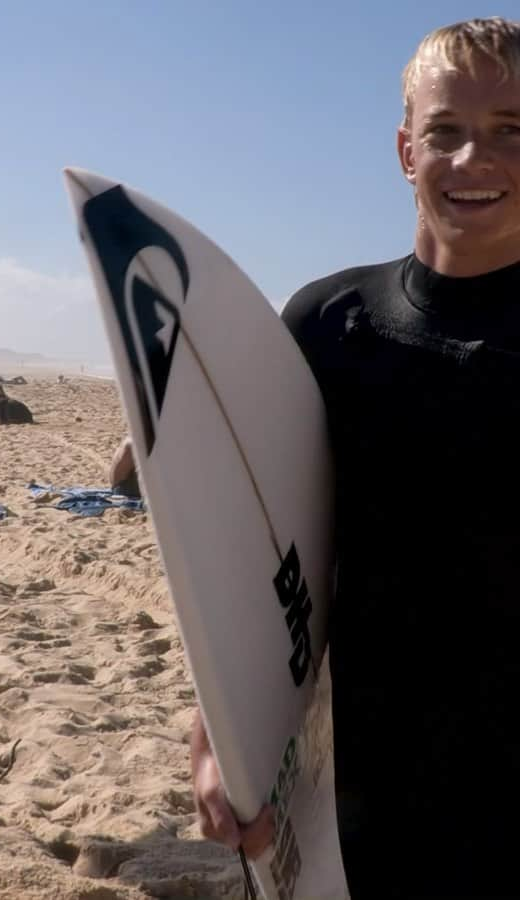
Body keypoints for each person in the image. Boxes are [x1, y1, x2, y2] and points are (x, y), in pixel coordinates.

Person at [191, 17, 520, 898]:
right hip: (363, 787)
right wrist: (223, 736)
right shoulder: (326, 325)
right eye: (446, 131)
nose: (471, 159)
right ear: (406, 149)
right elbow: (250, 557)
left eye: (509, 132)